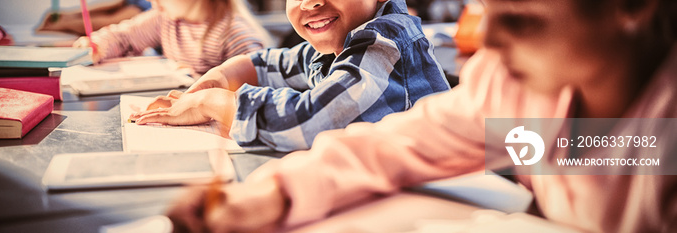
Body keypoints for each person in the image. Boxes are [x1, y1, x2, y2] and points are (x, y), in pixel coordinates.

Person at [165, 0, 677, 232]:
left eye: (521, 16)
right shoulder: (515, 85)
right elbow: (399, 144)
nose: (487, 43)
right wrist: (273, 194)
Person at [130, 0, 451, 151]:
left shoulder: (385, 40)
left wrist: (213, 102)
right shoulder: (335, 43)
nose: (310, 2)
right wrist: (219, 77)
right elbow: (267, 64)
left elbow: (311, 123)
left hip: (449, 202)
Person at [73, 0, 271, 75]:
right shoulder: (166, 19)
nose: (152, 1)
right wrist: (98, 45)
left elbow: (256, 86)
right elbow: (124, 37)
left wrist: (196, 79)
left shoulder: (235, 35)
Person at [36, 0, 152, 36]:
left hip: (142, 8)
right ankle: (65, 19)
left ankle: (63, 23)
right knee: (116, 6)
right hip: (139, 5)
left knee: (116, 17)